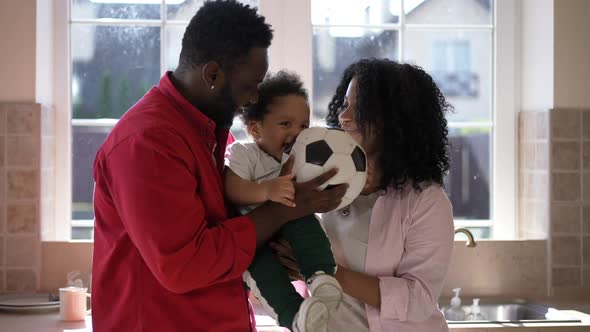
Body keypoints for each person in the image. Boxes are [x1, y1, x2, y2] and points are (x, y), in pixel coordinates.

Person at [91, 1, 347, 331]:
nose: (255, 98)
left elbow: (230, 238)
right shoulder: (148, 143)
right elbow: (184, 266)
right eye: (249, 86)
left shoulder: (211, 137)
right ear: (212, 75)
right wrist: (285, 209)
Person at [272, 58, 455, 332]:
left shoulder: (426, 201)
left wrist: (325, 270)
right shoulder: (321, 180)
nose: (343, 117)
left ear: (393, 120)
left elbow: (418, 300)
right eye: (345, 105)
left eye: (359, 109)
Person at [224, 71, 343, 332]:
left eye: (303, 125)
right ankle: (295, 318)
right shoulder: (245, 153)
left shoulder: (302, 158)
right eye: (285, 124)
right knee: (263, 273)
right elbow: (232, 189)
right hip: (252, 239)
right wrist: (267, 191)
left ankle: (321, 277)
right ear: (255, 129)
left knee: (307, 223)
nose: (296, 133)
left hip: (288, 228)